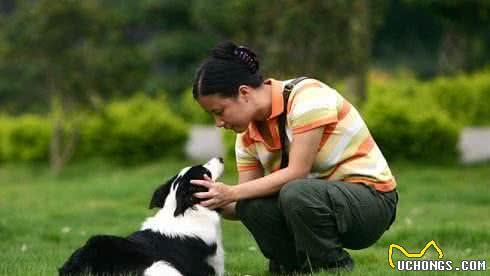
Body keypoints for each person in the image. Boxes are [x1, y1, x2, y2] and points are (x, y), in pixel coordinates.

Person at [190, 41, 398, 274]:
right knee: (253, 203)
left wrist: (230, 192)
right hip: (315, 205)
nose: (218, 123)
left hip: (371, 203)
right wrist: (205, 202)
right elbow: (243, 204)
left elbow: (297, 172)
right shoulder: (247, 137)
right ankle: (293, 269)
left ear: (244, 93)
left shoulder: (308, 97)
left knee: (295, 191)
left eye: (219, 112)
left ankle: (331, 268)